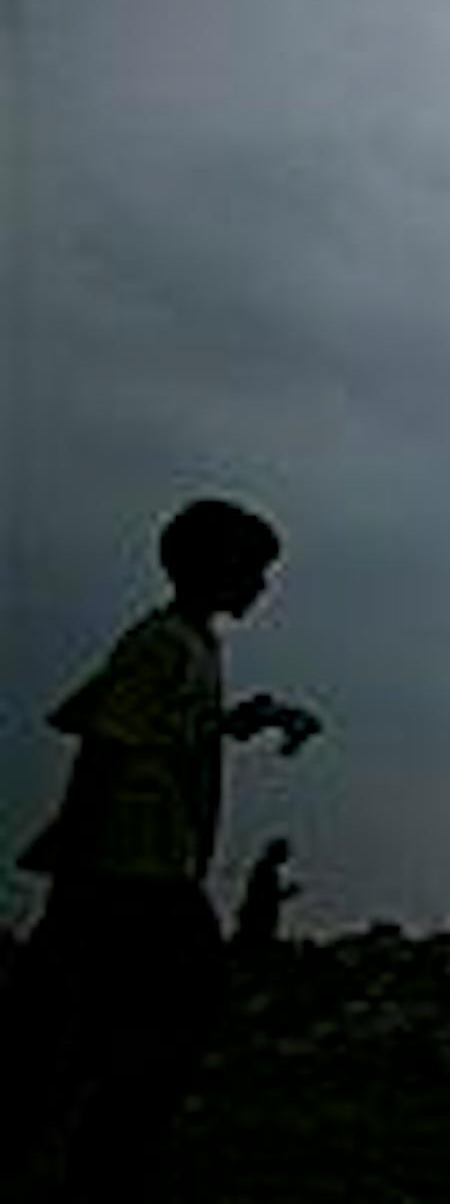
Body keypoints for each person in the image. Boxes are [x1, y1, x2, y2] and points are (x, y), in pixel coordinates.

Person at [3, 498, 323, 1199]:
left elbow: (162, 731)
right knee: (175, 1009)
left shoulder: (196, 644)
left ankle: (89, 1145)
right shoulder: (159, 644)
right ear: (212, 568)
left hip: (153, 866)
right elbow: (105, 744)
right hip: (129, 868)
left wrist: (235, 721)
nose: (261, 585)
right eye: (253, 569)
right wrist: (73, 863)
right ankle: (103, 1157)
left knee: (101, 1019)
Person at [232, 836, 301, 964]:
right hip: (258, 918)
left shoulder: (265, 870)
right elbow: (266, 897)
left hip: (260, 917)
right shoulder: (265, 870)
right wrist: (289, 893)